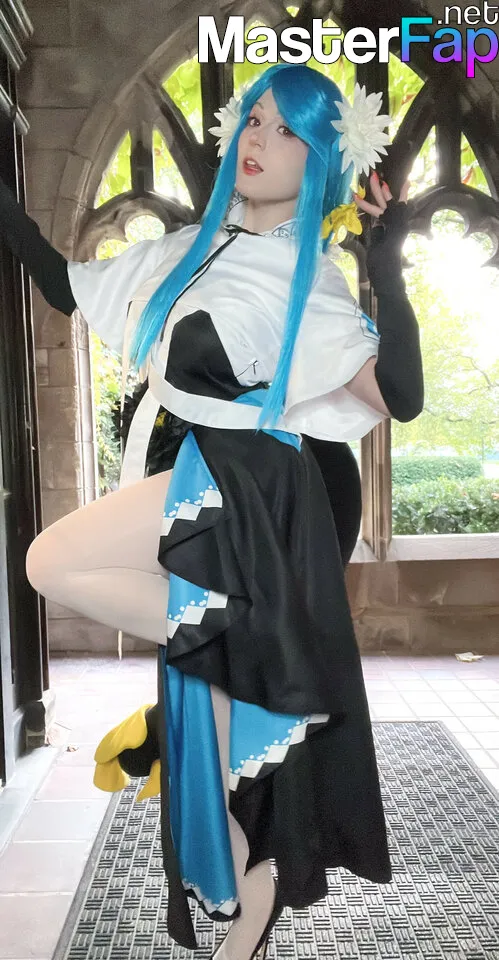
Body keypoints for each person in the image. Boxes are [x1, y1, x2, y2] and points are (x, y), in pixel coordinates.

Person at [0, 64, 424, 960]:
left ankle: (247, 636)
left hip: (253, 483)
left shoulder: (308, 278)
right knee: (208, 699)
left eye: (286, 130)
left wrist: (384, 261)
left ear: (322, 161)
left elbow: (397, 396)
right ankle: (248, 886)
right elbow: (68, 286)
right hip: (197, 468)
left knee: (51, 563)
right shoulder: (190, 248)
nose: (259, 141)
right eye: (254, 121)